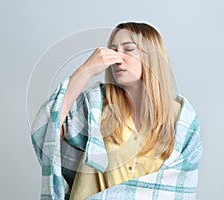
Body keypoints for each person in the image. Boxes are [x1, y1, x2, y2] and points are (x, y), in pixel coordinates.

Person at [31, 22, 202, 200]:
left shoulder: (182, 120)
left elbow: (181, 188)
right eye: (112, 51)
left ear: (152, 57)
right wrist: (85, 71)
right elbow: (46, 129)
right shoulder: (95, 105)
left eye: (128, 50)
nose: (117, 59)